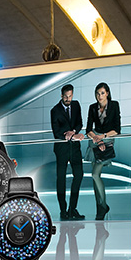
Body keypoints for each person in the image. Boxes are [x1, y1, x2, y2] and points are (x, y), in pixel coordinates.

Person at [85, 82, 121, 220]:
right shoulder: (92, 107)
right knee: (95, 177)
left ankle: (104, 205)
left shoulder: (114, 105)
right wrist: (96, 138)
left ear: (107, 93)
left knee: (95, 175)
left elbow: (117, 129)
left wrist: (103, 137)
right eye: (97, 93)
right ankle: (99, 208)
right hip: (95, 140)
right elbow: (88, 129)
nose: (99, 96)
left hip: (107, 139)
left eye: (102, 93)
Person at [50, 84, 85, 221]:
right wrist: (72, 136)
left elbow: (79, 123)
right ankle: (63, 210)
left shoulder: (76, 105)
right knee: (61, 179)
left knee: (79, 175)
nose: (68, 99)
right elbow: (57, 133)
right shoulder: (55, 110)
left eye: (70, 96)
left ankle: (72, 209)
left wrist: (74, 132)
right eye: (66, 96)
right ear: (61, 96)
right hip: (62, 149)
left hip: (75, 148)